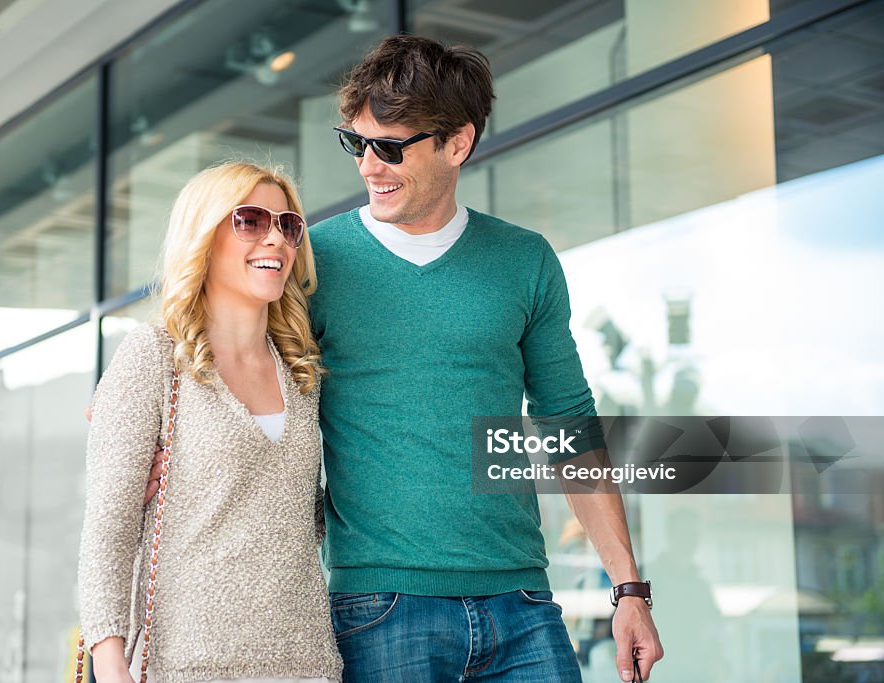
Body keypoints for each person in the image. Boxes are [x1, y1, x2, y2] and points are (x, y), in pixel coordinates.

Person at [308, 35, 663, 682]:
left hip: (523, 605)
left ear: (458, 143)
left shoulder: (524, 261)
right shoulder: (316, 260)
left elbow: (569, 425)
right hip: (379, 606)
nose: (368, 165)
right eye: (355, 142)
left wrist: (629, 589)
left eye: (390, 147)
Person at [78, 162, 343, 683]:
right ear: (203, 237)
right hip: (186, 665)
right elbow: (108, 528)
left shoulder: (301, 372)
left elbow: (304, 522)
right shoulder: (153, 356)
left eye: (288, 226)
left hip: (307, 663)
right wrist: (109, 663)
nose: (276, 238)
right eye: (250, 220)